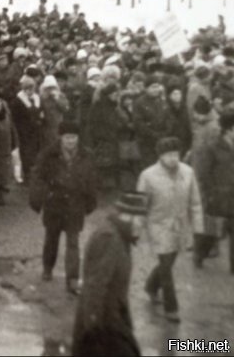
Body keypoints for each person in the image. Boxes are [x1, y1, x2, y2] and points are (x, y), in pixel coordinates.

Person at [137, 136, 204, 323]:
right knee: (166, 266)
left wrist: (198, 228)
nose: (173, 159)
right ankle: (171, 308)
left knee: (169, 261)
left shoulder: (188, 172)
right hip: (158, 225)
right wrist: (136, 230)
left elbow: (195, 202)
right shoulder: (148, 176)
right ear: (160, 157)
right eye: (168, 155)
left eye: (176, 154)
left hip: (180, 226)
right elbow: (141, 205)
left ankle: (151, 286)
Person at [72, 192, 147, 356]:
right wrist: (93, 331)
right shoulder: (109, 238)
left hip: (111, 323)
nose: (143, 226)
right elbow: (95, 286)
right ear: (128, 217)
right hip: (104, 328)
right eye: (141, 221)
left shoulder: (120, 237)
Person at [30, 121, 97, 295]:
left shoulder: (86, 155)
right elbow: (38, 177)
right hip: (54, 204)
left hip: (75, 206)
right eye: (67, 137)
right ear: (61, 137)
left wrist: (90, 202)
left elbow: (91, 179)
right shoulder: (48, 155)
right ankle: (47, 267)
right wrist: (42, 197)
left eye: (74, 137)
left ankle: (72, 279)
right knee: (52, 238)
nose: (71, 141)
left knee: (73, 242)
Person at [191, 110, 234, 273]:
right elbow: (204, 174)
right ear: (229, 129)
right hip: (219, 196)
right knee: (212, 232)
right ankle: (199, 254)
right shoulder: (213, 147)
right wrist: (210, 194)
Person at [10, 75, 43, 184]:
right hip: (24, 131)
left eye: (32, 88)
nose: (30, 91)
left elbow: (40, 112)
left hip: (36, 130)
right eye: (27, 89)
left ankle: (35, 175)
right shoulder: (18, 101)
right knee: (26, 154)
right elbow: (15, 117)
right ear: (23, 89)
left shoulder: (37, 98)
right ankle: (27, 176)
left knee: (35, 152)